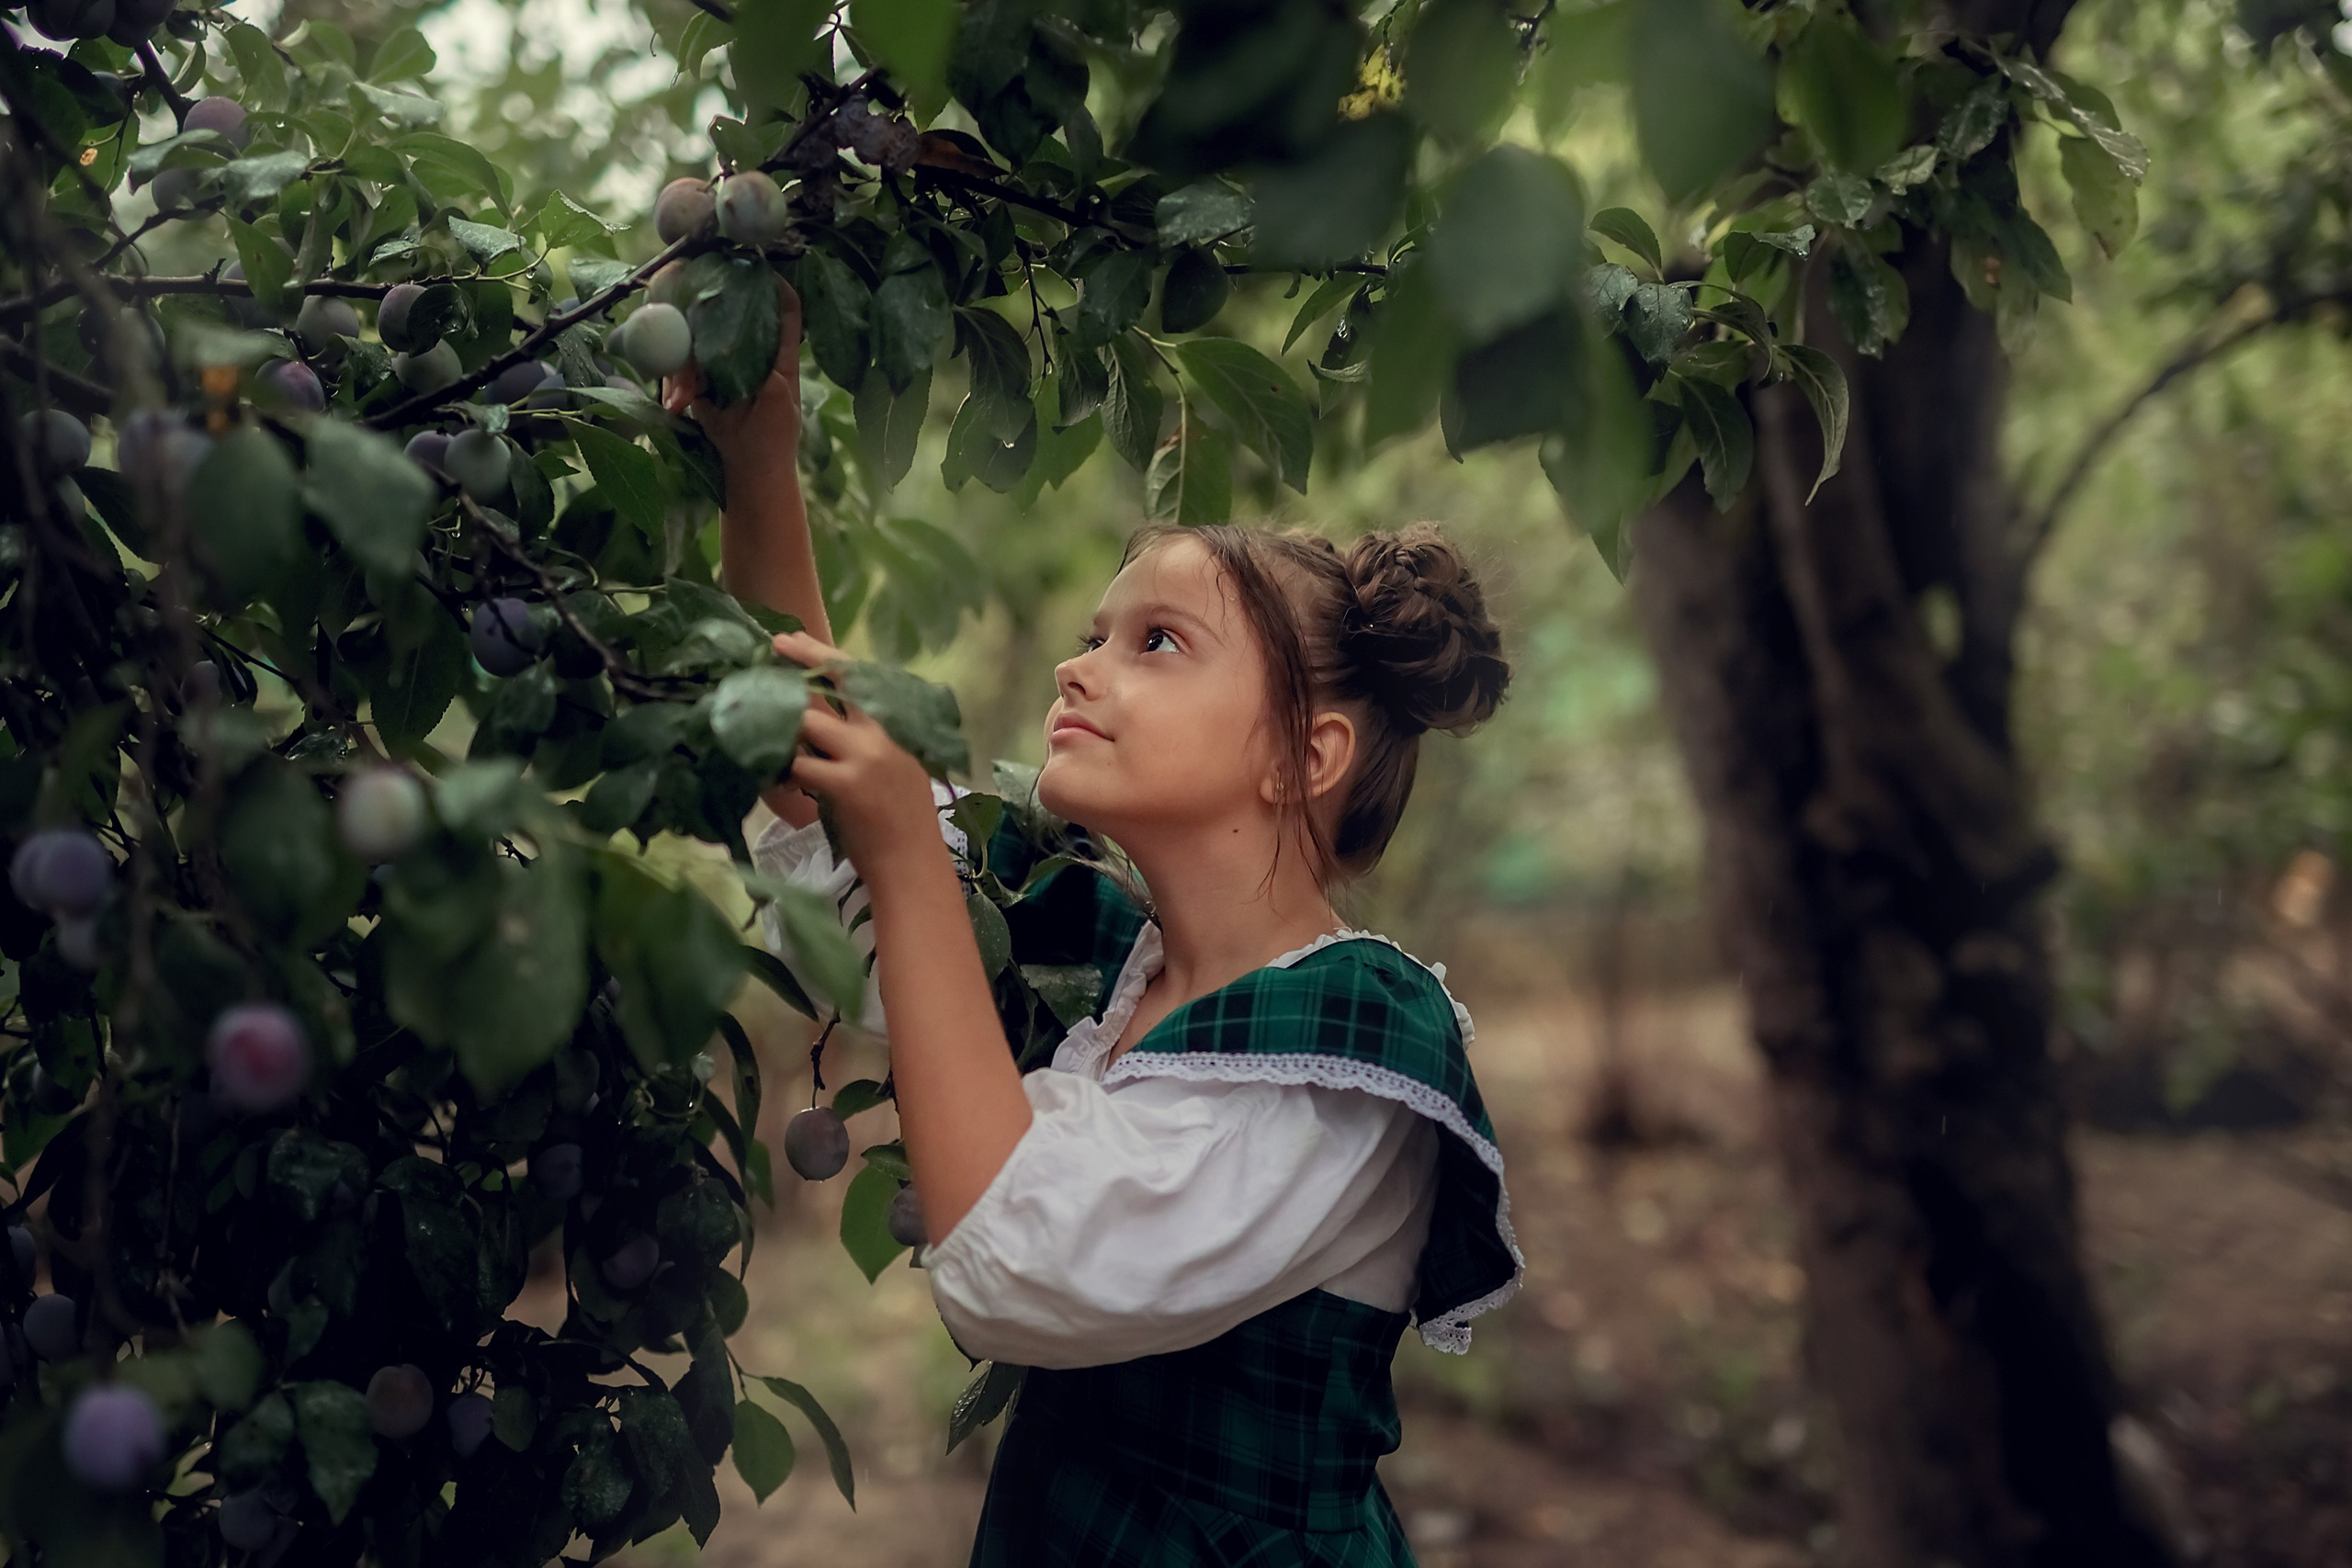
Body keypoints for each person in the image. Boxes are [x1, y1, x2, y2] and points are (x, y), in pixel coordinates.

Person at [668, 284, 1521, 1566]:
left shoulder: (1360, 1035)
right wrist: (761, 449)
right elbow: (815, 793)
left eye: (1158, 642)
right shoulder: (1090, 945)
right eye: (1092, 637)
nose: (1082, 667)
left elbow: (1011, 1263)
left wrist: (907, 849)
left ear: (1306, 753)